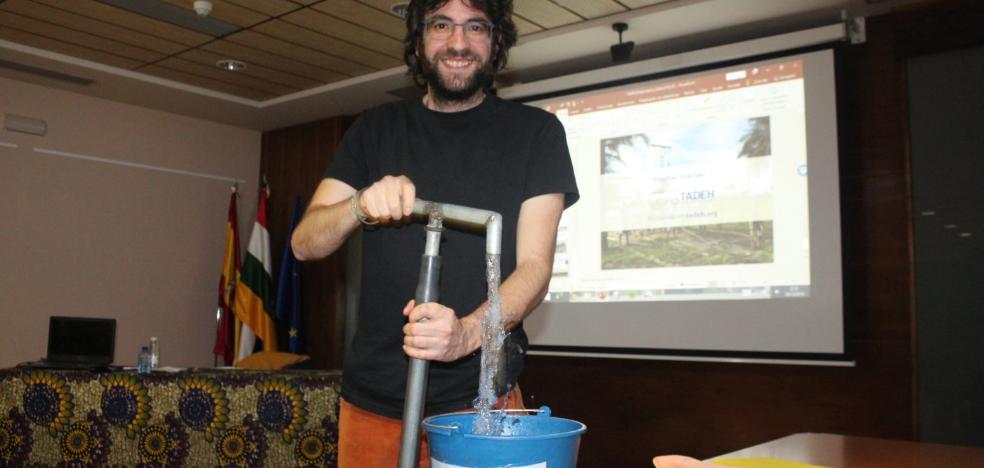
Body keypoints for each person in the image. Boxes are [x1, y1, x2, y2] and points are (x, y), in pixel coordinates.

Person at [290, 0, 578, 465]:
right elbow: (305, 243)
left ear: (496, 40)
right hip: (374, 405)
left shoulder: (536, 134)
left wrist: (466, 334)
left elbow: (535, 267)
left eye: (476, 27)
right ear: (420, 39)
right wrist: (359, 205)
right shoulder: (374, 130)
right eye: (442, 25)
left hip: (483, 407)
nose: (458, 43)